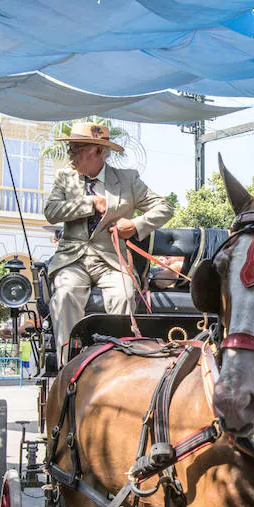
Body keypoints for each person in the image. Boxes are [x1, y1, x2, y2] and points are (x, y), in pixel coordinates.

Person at [44, 122, 173, 357]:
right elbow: (51, 212)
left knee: (124, 295)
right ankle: (68, 365)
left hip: (112, 261)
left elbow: (164, 208)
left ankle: (118, 362)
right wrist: (90, 203)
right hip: (73, 261)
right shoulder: (65, 177)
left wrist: (135, 225)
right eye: (70, 147)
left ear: (98, 151)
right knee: (65, 295)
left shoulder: (127, 180)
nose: (71, 153)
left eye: (77, 148)